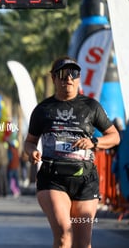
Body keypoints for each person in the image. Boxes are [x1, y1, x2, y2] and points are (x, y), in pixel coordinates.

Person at [24, 56, 120, 248]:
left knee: (83, 243)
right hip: (53, 179)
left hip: (85, 181)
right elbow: (29, 142)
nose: (68, 78)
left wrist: (94, 142)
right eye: (62, 73)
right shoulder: (43, 110)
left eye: (73, 73)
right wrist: (32, 151)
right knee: (64, 234)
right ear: (53, 78)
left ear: (79, 78)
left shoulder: (91, 107)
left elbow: (115, 137)